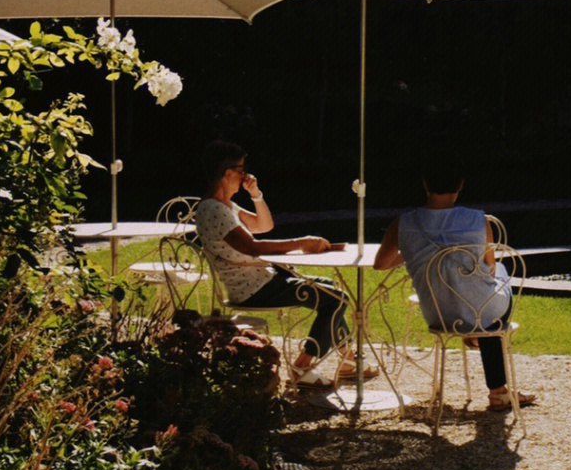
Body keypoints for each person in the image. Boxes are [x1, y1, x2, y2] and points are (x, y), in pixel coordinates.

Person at [191, 141, 372, 388]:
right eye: (241, 169)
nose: (246, 175)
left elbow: (264, 226)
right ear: (228, 173)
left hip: (262, 281)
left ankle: (348, 363)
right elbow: (252, 247)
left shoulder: (226, 206)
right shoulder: (214, 209)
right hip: (252, 289)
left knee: (331, 291)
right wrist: (301, 243)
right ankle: (302, 366)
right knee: (336, 298)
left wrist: (256, 195)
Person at [373, 150, 535, 411]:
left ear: (424, 183)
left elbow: (380, 263)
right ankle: (497, 387)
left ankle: (478, 343)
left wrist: (415, 255)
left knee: (483, 296)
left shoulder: (403, 223)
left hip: (438, 314)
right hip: (481, 311)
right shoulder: (477, 220)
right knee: (500, 278)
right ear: (460, 185)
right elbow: (490, 268)